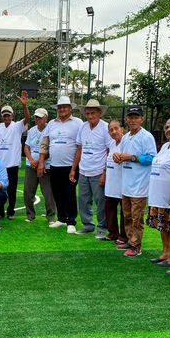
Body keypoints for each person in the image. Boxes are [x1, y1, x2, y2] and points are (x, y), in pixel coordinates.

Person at [112, 106, 157, 257]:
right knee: (127, 216)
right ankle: (130, 240)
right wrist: (118, 157)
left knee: (136, 218)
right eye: (130, 117)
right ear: (126, 119)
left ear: (142, 119)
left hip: (139, 184)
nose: (133, 120)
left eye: (136, 117)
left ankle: (136, 246)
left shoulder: (147, 137)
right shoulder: (126, 137)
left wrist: (131, 157)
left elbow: (152, 158)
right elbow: (122, 155)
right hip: (126, 183)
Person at [38, 96, 83, 234]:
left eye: (65, 107)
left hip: (71, 166)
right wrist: (41, 162)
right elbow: (45, 143)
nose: (62, 109)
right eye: (60, 107)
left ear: (70, 108)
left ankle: (71, 221)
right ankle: (62, 218)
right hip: (54, 165)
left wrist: (74, 168)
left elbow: (80, 145)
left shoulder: (78, 123)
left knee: (69, 193)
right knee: (57, 192)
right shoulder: (52, 123)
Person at [70, 99, 113, 237]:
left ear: (99, 113)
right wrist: (73, 169)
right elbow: (79, 149)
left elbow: (110, 151)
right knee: (83, 200)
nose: (90, 116)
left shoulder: (106, 128)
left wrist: (105, 173)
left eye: (93, 113)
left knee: (100, 201)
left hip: (98, 171)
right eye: (87, 113)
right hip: (83, 170)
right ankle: (87, 225)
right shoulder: (83, 127)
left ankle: (102, 228)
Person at [147, 118, 170, 267]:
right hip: (158, 193)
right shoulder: (164, 146)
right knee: (162, 225)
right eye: (167, 127)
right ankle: (165, 252)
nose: (169, 129)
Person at [0, 91, 30, 219]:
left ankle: (11, 211)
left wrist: (24, 105)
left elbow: (27, 119)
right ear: (2, 116)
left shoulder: (17, 126)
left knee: (12, 190)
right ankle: (0, 211)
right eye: (4, 115)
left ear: (12, 116)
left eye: (9, 115)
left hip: (12, 164)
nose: (7, 117)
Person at [23, 107, 56, 223]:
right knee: (28, 191)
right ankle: (30, 215)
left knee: (48, 192)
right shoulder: (31, 130)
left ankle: (51, 216)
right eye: (36, 117)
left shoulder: (50, 130)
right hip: (31, 165)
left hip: (46, 166)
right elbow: (26, 147)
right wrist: (31, 160)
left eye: (40, 117)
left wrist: (38, 162)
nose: (38, 119)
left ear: (46, 118)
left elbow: (50, 149)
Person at [103, 119, 127, 243]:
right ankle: (112, 233)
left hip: (123, 182)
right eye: (111, 130)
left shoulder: (127, 142)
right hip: (111, 183)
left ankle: (124, 235)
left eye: (116, 128)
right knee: (110, 208)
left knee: (124, 211)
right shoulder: (112, 144)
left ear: (122, 129)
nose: (114, 132)